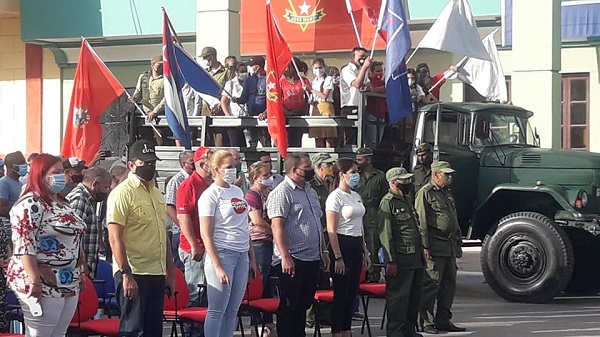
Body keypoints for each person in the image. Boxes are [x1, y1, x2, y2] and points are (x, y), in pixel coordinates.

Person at [8, 153, 86, 336]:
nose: (62, 176)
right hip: (41, 280)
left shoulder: (62, 203)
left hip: (68, 279)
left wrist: (80, 270)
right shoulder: (30, 203)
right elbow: (24, 244)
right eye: (56, 172)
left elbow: (75, 237)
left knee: (59, 333)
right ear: (40, 174)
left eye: (63, 171)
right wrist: (34, 280)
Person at [107, 139, 175, 336]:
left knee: (154, 330)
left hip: (156, 272)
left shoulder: (156, 193)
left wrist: (170, 272)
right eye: (145, 163)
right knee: (133, 330)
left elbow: (163, 235)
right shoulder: (122, 193)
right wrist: (126, 273)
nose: (150, 166)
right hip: (133, 270)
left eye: (153, 162)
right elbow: (114, 238)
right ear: (131, 165)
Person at [266, 153, 330, 337]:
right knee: (289, 306)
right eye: (307, 167)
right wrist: (285, 257)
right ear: (294, 170)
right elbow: (277, 226)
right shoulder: (282, 192)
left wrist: (323, 249)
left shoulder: (310, 190)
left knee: (303, 304)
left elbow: (317, 223)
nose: (311, 170)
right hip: (293, 257)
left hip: (312, 256)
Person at [199, 150, 258, 337]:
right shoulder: (210, 195)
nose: (234, 170)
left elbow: (243, 225)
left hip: (242, 253)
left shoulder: (237, 190)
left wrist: (252, 257)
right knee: (217, 310)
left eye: (235, 165)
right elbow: (206, 233)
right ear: (216, 169)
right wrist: (217, 265)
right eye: (229, 167)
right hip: (222, 253)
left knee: (233, 310)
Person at [415, 161, 465, 334]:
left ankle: (443, 319)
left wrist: (458, 243)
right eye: (446, 174)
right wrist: (425, 246)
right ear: (436, 174)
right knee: (431, 284)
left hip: (449, 245)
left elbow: (452, 219)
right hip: (435, 244)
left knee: (448, 285)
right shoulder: (425, 193)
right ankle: (427, 322)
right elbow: (421, 222)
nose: (449, 177)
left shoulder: (446, 193)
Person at [326, 158, 370, 337]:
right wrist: (337, 256)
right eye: (352, 172)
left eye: (357, 172)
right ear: (342, 175)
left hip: (356, 242)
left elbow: (360, 224)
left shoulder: (355, 195)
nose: (356, 176)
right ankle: (337, 330)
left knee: (352, 292)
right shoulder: (335, 197)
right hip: (342, 243)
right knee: (341, 292)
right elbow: (331, 229)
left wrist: (365, 250)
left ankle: (346, 328)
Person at [379, 167, 424, 337]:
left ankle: (408, 330)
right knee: (399, 298)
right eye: (403, 180)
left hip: (415, 258)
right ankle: (395, 332)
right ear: (393, 182)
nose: (407, 183)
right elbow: (385, 233)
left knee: (413, 297)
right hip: (401, 258)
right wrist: (390, 260)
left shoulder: (406, 199)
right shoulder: (388, 202)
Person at [177, 147, 213, 307]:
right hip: (196, 247)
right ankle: (191, 331)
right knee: (195, 294)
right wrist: (193, 245)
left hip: (208, 246)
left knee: (207, 293)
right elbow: (183, 217)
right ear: (202, 164)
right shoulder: (189, 185)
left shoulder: (211, 184)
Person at [245, 162, 277, 335]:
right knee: (259, 283)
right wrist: (276, 233)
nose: (269, 178)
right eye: (265, 176)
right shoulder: (252, 195)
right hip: (259, 243)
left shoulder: (269, 193)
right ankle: (256, 324)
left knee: (268, 286)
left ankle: (268, 321)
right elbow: (257, 221)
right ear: (256, 178)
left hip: (271, 242)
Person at [66, 166, 112, 278]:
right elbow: (73, 237)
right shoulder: (79, 200)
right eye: (106, 187)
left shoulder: (88, 199)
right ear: (95, 184)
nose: (107, 191)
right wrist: (82, 265)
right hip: (79, 271)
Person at [355, 147, 388, 282]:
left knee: (373, 247)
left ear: (368, 160)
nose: (357, 162)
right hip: (357, 216)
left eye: (360, 160)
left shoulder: (380, 177)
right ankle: (361, 275)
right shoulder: (355, 176)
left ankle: (373, 275)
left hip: (373, 217)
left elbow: (385, 198)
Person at [165, 150, 195, 271]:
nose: (195, 165)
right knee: (182, 268)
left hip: (196, 232)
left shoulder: (198, 179)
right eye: (192, 162)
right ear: (184, 164)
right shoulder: (176, 181)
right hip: (180, 232)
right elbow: (169, 206)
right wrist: (183, 226)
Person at [200, 46, 234, 147]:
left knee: (219, 142)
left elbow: (229, 91)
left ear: (212, 57)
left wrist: (219, 106)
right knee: (206, 142)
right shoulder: (205, 73)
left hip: (220, 110)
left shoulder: (226, 72)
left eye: (206, 57)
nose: (204, 60)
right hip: (206, 110)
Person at [340, 47, 372, 147]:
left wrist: (367, 86)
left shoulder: (362, 70)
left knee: (362, 139)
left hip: (362, 107)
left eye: (365, 57)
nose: (363, 59)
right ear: (353, 56)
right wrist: (364, 68)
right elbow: (357, 84)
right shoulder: (347, 70)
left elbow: (369, 85)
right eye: (361, 56)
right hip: (350, 107)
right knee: (351, 139)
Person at [237, 56, 271, 147]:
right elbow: (243, 98)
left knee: (266, 143)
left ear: (257, 67)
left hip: (265, 119)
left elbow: (273, 99)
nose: (251, 68)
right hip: (251, 118)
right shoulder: (249, 80)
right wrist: (235, 99)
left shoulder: (270, 79)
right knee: (252, 144)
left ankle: (268, 159)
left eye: (252, 66)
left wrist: (266, 112)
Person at [281, 57, 312, 148]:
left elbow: (308, 98)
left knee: (297, 141)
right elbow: (277, 100)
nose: (284, 70)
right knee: (287, 142)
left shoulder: (304, 81)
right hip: (287, 116)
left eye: (286, 67)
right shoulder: (282, 82)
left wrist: (304, 111)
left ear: (294, 68)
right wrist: (286, 112)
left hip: (300, 116)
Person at [309, 58, 337, 148]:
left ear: (324, 67)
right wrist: (310, 100)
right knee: (317, 136)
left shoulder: (328, 79)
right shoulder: (314, 81)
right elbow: (313, 95)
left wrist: (311, 90)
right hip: (315, 107)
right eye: (316, 68)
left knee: (328, 135)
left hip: (326, 106)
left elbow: (325, 95)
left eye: (320, 67)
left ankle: (330, 157)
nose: (318, 70)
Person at [221, 62, 249, 147]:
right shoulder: (230, 84)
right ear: (236, 72)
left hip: (247, 118)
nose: (244, 73)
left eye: (245, 71)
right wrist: (228, 116)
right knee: (235, 145)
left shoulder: (249, 82)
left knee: (247, 145)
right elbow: (223, 101)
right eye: (242, 71)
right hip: (234, 119)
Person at [365, 61, 386, 149]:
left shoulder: (383, 82)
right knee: (372, 141)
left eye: (381, 71)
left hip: (382, 114)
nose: (380, 73)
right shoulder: (369, 80)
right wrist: (384, 88)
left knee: (378, 142)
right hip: (372, 113)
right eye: (377, 71)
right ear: (371, 72)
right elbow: (372, 89)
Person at [0, 151, 27, 218]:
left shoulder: (20, 183)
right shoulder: (4, 183)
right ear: (12, 166)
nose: (25, 165)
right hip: (8, 227)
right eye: (22, 162)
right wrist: (22, 207)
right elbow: (1, 209)